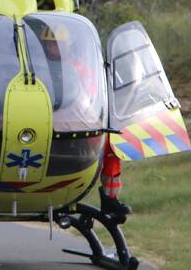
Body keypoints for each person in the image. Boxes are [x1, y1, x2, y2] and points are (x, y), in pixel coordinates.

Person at [38, 25, 131, 219]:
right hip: (44, 123)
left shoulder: (81, 68)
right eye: (50, 45)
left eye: (58, 45)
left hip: (79, 124)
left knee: (113, 148)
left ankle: (109, 199)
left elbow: (94, 94)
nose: (54, 49)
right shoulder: (36, 66)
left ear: (68, 46)